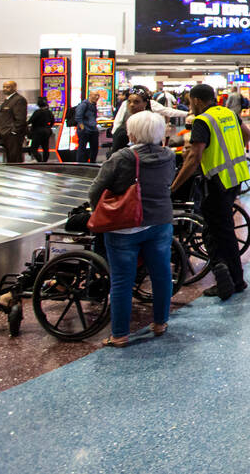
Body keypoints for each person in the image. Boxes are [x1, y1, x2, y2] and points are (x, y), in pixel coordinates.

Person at [89, 111, 176, 347]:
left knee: (121, 280)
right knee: (161, 274)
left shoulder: (122, 157)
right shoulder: (168, 155)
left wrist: (98, 210)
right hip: (160, 222)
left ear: (132, 132)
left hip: (124, 227)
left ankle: (120, 334)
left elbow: (95, 190)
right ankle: (160, 322)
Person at [170, 84, 250, 301]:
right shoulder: (228, 114)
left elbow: (194, 157)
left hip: (216, 182)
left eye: (190, 102)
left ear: (197, 100)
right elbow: (248, 134)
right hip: (235, 178)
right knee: (223, 231)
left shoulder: (202, 121)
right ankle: (234, 277)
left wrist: (174, 186)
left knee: (217, 232)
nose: (190, 106)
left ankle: (229, 278)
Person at [109, 88, 151, 154]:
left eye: (136, 102)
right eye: (129, 102)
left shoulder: (152, 125)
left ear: (145, 103)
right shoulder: (122, 130)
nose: (132, 105)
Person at [0, 80, 28, 164]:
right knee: (9, 158)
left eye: (8, 87)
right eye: (4, 87)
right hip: (5, 134)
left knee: (15, 158)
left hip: (12, 136)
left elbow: (20, 118)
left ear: (14, 88)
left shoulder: (19, 100)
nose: (5, 89)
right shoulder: (7, 100)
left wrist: (13, 132)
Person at [73, 92, 101, 163]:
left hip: (93, 129)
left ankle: (92, 163)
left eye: (98, 96)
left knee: (94, 148)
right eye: (95, 95)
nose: (97, 97)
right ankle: (80, 164)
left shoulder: (94, 105)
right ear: (90, 95)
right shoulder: (83, 105)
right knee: (82, 148)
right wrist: (83, 128)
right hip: (85, 130)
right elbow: (78, 117)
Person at [27, 97, 55, 163]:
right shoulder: (49, 112)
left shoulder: (37, 112)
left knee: (34, 148)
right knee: (45, 148)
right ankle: (45, 161)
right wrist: (48, 127)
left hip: (37, 132)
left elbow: (30, 121)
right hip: (46, 131)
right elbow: (52, 122)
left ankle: (40, 161)